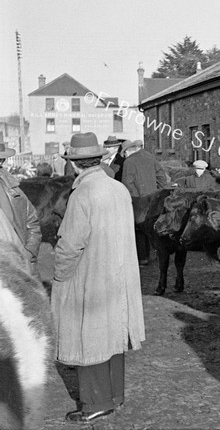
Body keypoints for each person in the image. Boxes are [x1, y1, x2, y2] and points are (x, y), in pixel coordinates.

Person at [52, 132, 145, 424]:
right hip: (119, 275)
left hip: (91, 276)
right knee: (114, 335)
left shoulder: (83, 194)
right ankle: (114, 396)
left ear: (76, 165)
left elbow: (70, 244)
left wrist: (61, 278)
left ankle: (95, 403)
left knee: (87, 337)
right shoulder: (117, 189)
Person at [121, 139, 169, 265]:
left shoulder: (129, 162)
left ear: (127, 151)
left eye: (124, 153)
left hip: (138, 202)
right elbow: (161, 177)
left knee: (139, 229)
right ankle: (159, 255)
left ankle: (143, 258)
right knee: (154, 227)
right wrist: (160, 193)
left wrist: (131, 201)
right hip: (154, 199)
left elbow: (127, 184)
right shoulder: (150, 157)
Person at [0, 142, 42, 281]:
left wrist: (29, 252)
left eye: (2, 159)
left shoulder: (11, 188)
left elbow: (32, 222)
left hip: (16, 267)